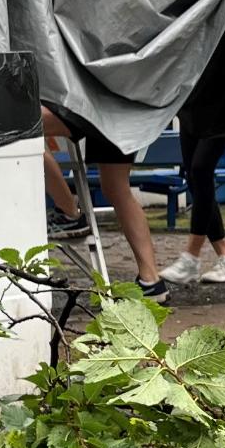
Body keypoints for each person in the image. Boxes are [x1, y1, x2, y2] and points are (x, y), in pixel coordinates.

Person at [39, 103, 168, 302]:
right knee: (116, 188)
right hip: (118, 106)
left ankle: (69, 212)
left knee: (21, 126)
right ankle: (151, 282)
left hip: (89, 100)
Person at [157, 125, 225, 285]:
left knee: (201, 170)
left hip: (222, 107)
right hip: (190, 109)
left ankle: (191, 258)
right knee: (194, 178)